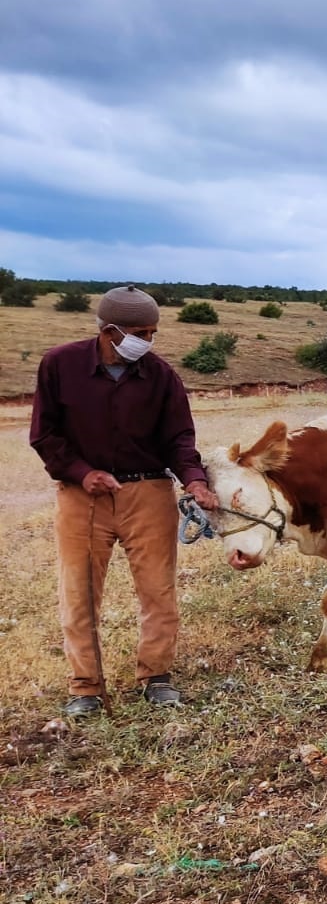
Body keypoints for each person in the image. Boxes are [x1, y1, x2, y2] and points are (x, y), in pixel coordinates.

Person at [29, 286, 218, 716]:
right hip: (83, 497)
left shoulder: (161, 375)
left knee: (158, 591)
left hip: (148, 493)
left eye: (152, 333)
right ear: (109, 330)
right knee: (80, 592)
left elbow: (179, 440)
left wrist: (194, 481)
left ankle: (156, 678)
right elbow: (44, 434)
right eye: (139, 332)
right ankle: (86, 687)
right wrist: (82, 472)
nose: (147, 342)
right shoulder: (59, 364)